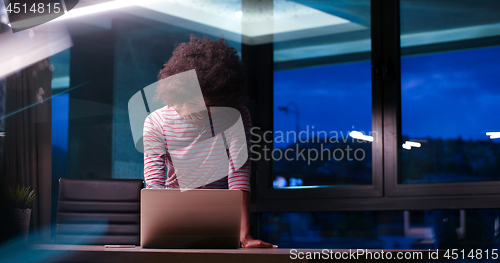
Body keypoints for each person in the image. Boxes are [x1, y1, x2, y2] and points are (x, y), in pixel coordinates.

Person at [143, 35, 276, 248]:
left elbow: (239, 176)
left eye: (208, 106)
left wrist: (244, 236)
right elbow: (154, 184)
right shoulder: (156, 121)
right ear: (178, 93)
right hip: (171, 215)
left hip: (220, 217)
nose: (199, 113)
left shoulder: (236, 115)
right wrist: (155, 229)